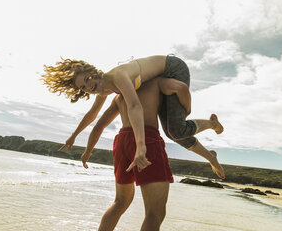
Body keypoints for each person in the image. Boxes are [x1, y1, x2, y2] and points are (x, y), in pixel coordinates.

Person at [80, 77, 224, 231]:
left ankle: (211, 130)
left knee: (120, 203)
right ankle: (211, 125)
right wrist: (185, 112)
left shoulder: (120, 95)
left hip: (122, 141)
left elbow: (99, 126)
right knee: (155, 213)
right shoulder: (154, 83)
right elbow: (181, 87)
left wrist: (87, 152)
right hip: (146, 137)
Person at [41, 55, 223, 172]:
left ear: (93, 72)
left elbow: (134, 106)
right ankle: (211, 156)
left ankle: (211, 124)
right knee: (173, 132)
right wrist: (74, 136)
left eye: (88, 79)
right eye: (83, 87)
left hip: (173, 69)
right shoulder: (102, 89)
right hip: (157, 79)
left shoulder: (116, 77)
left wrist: (140, 145)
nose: (89, 86)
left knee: (175, 130)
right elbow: (93, 116)